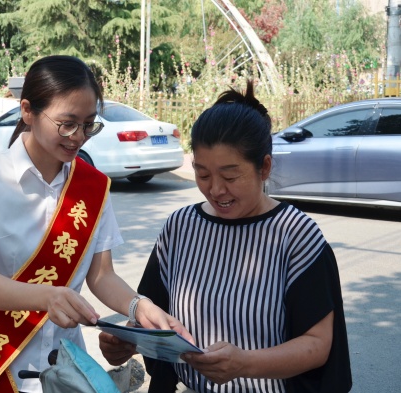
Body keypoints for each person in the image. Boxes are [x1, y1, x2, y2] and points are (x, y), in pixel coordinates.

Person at [0, 55, 190, 393]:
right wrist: (46, 297)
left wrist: (139, 305)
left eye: (88, 124)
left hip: (66, 368)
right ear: (27, 110)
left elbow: (101, 276)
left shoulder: (93, 187)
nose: (78, 136)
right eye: (67, 123)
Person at [99, 81, 352, 392]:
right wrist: (128, 340)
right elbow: (155, 322)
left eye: (230, 176)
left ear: (265, 167)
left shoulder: (295, 235)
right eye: (203, 174)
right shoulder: (180, 228)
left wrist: (244, 363)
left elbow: (317, 345)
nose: (216, 190)